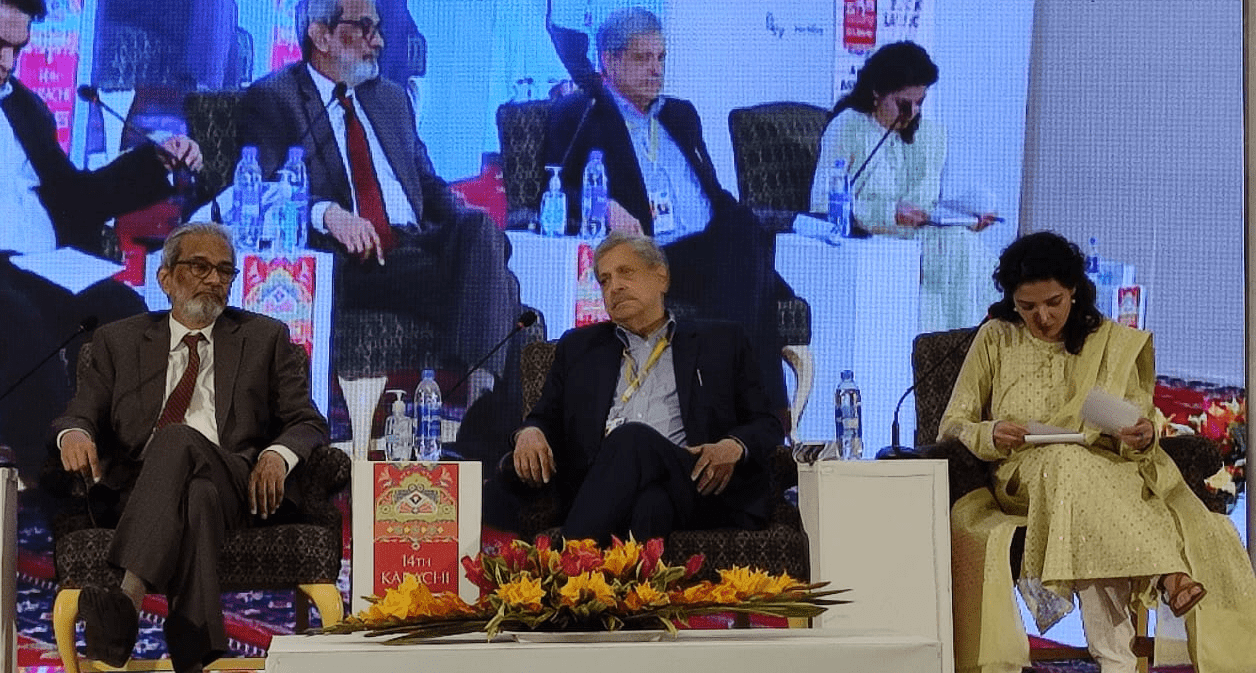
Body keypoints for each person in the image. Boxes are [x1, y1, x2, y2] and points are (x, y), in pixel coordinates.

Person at [939, 231, 1256, 673]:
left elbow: (1136, 425)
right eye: (1027, 307)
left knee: (1083, 491)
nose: (1042, 317)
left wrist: (1142, 435)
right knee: (1068, 468)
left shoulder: (1107, 342)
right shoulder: (996, 338)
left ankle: (1117, 660)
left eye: (1053, 302)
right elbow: (953, 423)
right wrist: (990, 434)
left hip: (1104, 477)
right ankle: (1168, 577)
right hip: (1025, 477)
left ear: (1074, 292)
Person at [51, 223, 329, 672]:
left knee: (178, 438)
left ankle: (127, 601)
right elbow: (79, 412)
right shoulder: (118, 342)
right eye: (199, 266)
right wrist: (76, 434)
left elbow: (307, 419)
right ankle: (195, 649)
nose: (214, 279)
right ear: (165, 279)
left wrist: (277, 455)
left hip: (238, 480)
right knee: (195, 494)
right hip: (143, 490)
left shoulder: (264, 337)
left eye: (224, 271)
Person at [238, 0, 520, 393]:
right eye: (366, 28)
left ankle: (479, 414)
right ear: (321, 35)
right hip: (351, 258)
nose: (380, 41)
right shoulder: (275, 97)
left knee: (478, 228)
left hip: (414, 246)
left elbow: (428, 184)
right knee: (506, 295)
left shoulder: (389, 98)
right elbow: (260, 188)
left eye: (378, 28)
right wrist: (327, 212)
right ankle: (479, 413)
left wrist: (476, 229)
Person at [543, 7, 790, 417]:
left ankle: (742, 399)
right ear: (610, 59)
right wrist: (603, 205)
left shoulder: (680, 114)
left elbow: (710, 189)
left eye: (661, 58)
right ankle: (761, 413)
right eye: (643, 59)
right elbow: (554, 187)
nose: (656, 70)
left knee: (743, 228)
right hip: (653, 252)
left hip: (708, 246)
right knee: (751, 277)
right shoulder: (582, 113)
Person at [0, 0, 203, 481]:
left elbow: (74, 200)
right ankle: (56, 486)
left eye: (16, 49)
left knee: (125, 311)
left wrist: (154, 162)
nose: (7, 63)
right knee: (23, 324)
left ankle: (131, 477)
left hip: (41, 266)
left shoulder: (24, 107)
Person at [511, 232, 781, 545]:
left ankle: (566, 568)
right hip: (606, 487)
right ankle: (630, 593)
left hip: (697, 480)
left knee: (632, 437)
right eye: (604, 280)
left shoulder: (721, 342)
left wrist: (732, 446)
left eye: (625, 272)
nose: (615, 287)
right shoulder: (579, 348)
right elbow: (543, 417)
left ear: (661, 276)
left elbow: (767, 423)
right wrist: (529, 433)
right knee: (651, 505)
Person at [809, 41, 997, 332]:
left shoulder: (925, 136)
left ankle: (975, 349)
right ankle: (958, 348)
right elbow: (822, 203)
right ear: (876, 91)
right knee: (959, 252)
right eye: (903, 104)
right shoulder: (849, 127)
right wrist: (889, 213)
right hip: (872, 242)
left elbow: (929, 203)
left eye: (919, 102)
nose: (912, 112)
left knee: (967, 245)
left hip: (918, 239)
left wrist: (971, 216)